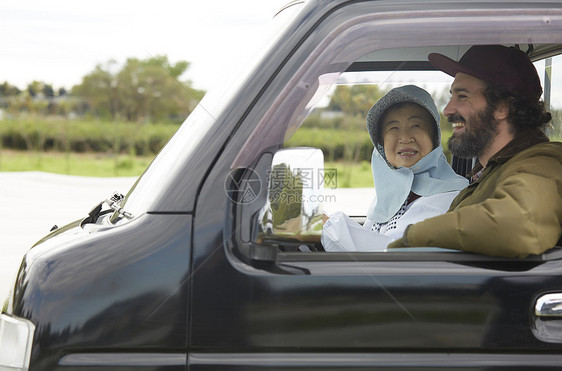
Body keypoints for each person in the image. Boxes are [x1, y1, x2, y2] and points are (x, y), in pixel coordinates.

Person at [388, 45, 562, 258]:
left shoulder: (543, 162)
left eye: (462, 96)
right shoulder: (489, 173)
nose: (448, 110)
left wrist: (410, 237)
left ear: (502, 107)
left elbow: (523, 224)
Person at [322, 85, 468, 252]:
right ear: (381, 145)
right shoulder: (389, 195)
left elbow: (392, 253)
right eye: (393, 128)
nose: (405, 138)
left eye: (416, 126)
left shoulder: (450, 197)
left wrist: (326, 226)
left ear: (434, 138)